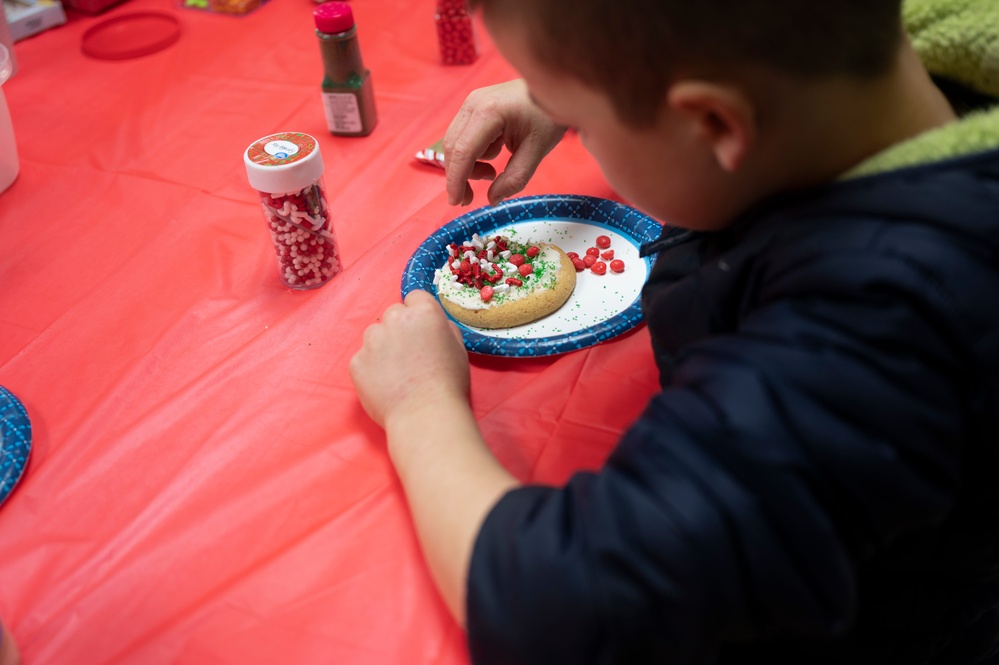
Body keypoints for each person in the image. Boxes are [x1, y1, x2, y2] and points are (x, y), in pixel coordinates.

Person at [349, 0, 999, 662]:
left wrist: (419, 404)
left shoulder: (875, 331)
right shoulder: (866, 60)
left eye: (577, 120)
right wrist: (600, 85)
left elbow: (559, 606)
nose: (568, 125)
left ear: (713, 122)